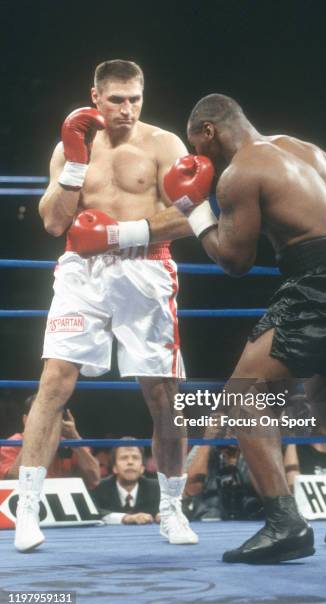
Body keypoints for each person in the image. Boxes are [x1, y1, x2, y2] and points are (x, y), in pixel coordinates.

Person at [160, 93, 326, 564]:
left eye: (197, 145)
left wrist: (194, 207)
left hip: (323, 281)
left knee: (241, 396)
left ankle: (285, 524)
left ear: (209, 130)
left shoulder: (241, 172)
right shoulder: (307, 148)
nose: (197, 158)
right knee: (325, 394)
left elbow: (234, 260)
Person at [14, 59, 198, 552]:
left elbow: (192, 217)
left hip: (146, 267)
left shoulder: (164, 145)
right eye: (117, 99)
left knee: (164, 397)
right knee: (53, 382)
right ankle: (27, 510)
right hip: (83, 272)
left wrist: (119, 232)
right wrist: (74, 164)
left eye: (135, 98)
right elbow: (54, 223)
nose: (127, 109)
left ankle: (172, 509)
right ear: (94, 96)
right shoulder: (70, 145)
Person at [0, 395, 100, 489]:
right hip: (26, 501)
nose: (47, 422)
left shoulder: (69, 442)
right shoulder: (13, 443)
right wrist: (32, 438)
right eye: (41, 416)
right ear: (26, 420)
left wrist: (74, 438)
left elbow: (94, 479)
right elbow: (12, 482)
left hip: (62, 502)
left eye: (53, 415)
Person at [92, 441, 160, 525]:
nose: (130, 462)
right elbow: (93, 513)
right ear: (114, 468)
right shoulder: (100, 488)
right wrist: (126, 518)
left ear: (142, 468)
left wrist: (165, 515)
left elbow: (174, 509)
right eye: (124, 458)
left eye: (135, 458)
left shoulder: (156, 487)